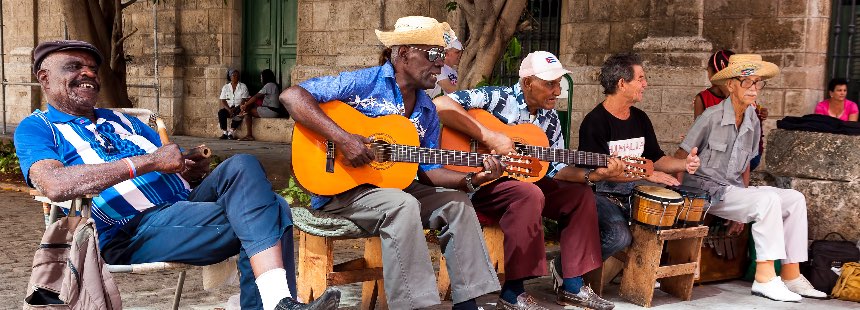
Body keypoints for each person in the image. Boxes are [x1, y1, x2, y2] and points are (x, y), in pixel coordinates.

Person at [14, 40, 340, 310]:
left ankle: (275, 302)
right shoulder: (38, 128)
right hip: (127, 229)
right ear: (44, 78)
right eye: (74, 67)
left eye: (92, 69)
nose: (88, 73)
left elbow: (167, 162)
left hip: (184, 205)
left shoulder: (124, 121)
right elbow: (54, 185)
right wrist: (149, 162)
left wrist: (189, 167)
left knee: (242, 162)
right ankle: (277, 302)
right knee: (273, 210)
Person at [280, 16, 502, 310]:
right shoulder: (363, 83)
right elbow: (292, 96)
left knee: (457, 203)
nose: (440, 63)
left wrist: (473, 178)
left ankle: (471, 303)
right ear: (403, 52)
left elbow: (431, 171)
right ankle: (416, 305)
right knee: (402, 204)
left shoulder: (427, 110)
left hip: (394, 189)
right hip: (342, 190)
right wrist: (344, 138)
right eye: (433, 54)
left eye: (442, 55)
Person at [434, 51, 623, 310]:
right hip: (481, 181)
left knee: (578, 195)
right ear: (527, 83)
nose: (557, 90)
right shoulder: (496, 97)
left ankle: (572, 284)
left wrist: (594, 175)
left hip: (522, 184)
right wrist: (489, 137)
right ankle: (513, 293)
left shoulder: (550, 118)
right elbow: (441, 104)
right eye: (549, 84)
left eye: (559, 83)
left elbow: (555, 169)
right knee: (528, 193)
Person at [677, 54, 827, 301]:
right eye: (747, 82)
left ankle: (791, 275)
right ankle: (765, 278)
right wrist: (680, 201)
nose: (754, 88)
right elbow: (682, 156)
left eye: (758, 82)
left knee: (794, 199)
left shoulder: (753, 120)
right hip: (703, 191)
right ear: (731, 85)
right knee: (767, 202)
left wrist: (744, 206)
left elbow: (745, 166)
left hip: (732, 191)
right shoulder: (710, 116)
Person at [577, 53, 700, 260]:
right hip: (601, 197)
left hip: (636, 194)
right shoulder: (594, 122)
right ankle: (569, 269)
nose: (646, 84)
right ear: (622, 84)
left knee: (679, 215)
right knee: (618, 237)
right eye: (640, 78)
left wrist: (684, 164)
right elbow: (600, 173)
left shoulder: (641, 118)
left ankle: (645, 271)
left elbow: (657, 159)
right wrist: (645, 173)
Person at [239, 69, 288, 141]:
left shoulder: (269, 85)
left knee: (248, 112)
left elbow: (256, 96)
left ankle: (249, 135)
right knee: (250, 107)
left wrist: (245, 105)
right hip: (272, 110)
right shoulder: (274, 85)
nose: (261, 79)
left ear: (265, 77)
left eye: (261, 77)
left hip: (271, 111)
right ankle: (240, 116)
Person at [425, 22, 462, 98]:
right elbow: (451, 90)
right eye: (457, 52)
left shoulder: (453, 70)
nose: (460, 55)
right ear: (446, 53)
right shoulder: (439, 69)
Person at [218, 68, 249, 140]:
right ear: (230, 76)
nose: (236, 77)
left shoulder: (243, 86)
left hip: (238, 107)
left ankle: (231, 132)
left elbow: (244, 100)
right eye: (234, 75)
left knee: (240, 113)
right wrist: (229, 109)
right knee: (221, 113)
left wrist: (235, 109)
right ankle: (225, 132)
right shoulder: (226, 87)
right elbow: (223, 100)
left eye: (237, 75)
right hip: (229, 108)